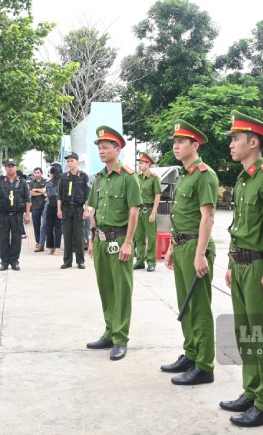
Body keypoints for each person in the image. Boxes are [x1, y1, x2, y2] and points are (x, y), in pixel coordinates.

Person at [219, 111, 263, 428]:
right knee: (245, 335)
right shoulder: (243, 179)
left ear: (253, 141)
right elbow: (238, 227)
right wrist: (232, 261)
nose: (231, 144)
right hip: (241, 265)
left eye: (236, 139)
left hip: (261, 267)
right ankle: (252, 390)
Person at [161, 120, 218, 386]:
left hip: (197, 247)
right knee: (186, 305)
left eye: (181, 142)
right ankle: (192, 353)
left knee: (200, 308)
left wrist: (200, 253)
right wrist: (172, 246)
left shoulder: (204, 174)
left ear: (195, 145)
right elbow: (180, 217)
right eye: (175, 142)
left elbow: (208, 217)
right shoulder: (184, 175)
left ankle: (204, 365)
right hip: (182, 245)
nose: (176, 146)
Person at [86, 126, 141, 361]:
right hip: (100, 241)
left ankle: (120, 338)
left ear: (117, 149)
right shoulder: (98, 179)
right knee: (106, 289)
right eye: (99, 148)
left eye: (106, 147)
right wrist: (91, 238)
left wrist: (128, 243)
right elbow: (93, 210)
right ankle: (109, 331)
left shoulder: (128, 177)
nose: (101, 151)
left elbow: (134, 212)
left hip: (119, 240)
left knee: (122, 290)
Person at [0, 159, 31, 271]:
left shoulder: (22, 182)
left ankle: (14, 261)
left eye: (12, 166)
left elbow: (27, 199)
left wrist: (27, 215)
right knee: (3, 238)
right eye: (8, 166)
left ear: (16, 167)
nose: (10, 168)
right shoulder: (0, 182)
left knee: (16, 239)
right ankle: (4, 262)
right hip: (3, 215)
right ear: (5, 168)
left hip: (17, 215)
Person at [58, 152, 90, 269]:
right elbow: (59, 196)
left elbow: (87, 196)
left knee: (79, 236)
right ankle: (67, 261)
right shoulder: (63, 177)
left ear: (77, 162)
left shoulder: (83, 176)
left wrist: (86, 210)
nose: (69, 163)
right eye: (68, 161)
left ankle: (80, 261)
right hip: (66, 209)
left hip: (78, 209)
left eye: (72, 161)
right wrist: (59, 210)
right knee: (67, 236)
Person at [133, 152, 161, 272]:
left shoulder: (154, 178)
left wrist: (153, 212)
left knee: (151, 238)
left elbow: (157, 195)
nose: (139, 165)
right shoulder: (138, 178)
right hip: (138, 210)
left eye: (141, 163)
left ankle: (151, 261)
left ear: (148, 164)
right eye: (139, 163)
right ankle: (140, 261)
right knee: (139, 237)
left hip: (149, 210)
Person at [45, 165, 63, 255]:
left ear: (52, 173)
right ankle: (57, 247)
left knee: (49, 227)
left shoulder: (48, 183)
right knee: (58, 227)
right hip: (59, 207)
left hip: (50, 206)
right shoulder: (62, 182)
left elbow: (47, 194)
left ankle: (50, 247)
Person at [29, 167, 47, 252]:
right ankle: (38, 242)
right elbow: (30, 193)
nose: (37, 174)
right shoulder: (31, 182)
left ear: (41, 173)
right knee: (36, 225)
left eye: (38, 172)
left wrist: (36, 190)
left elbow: (45, 191)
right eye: (35, 172)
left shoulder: (45, 181)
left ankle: (43, 242)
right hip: (35, 206)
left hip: (44, 206)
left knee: (45, 225)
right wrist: (41, 192)